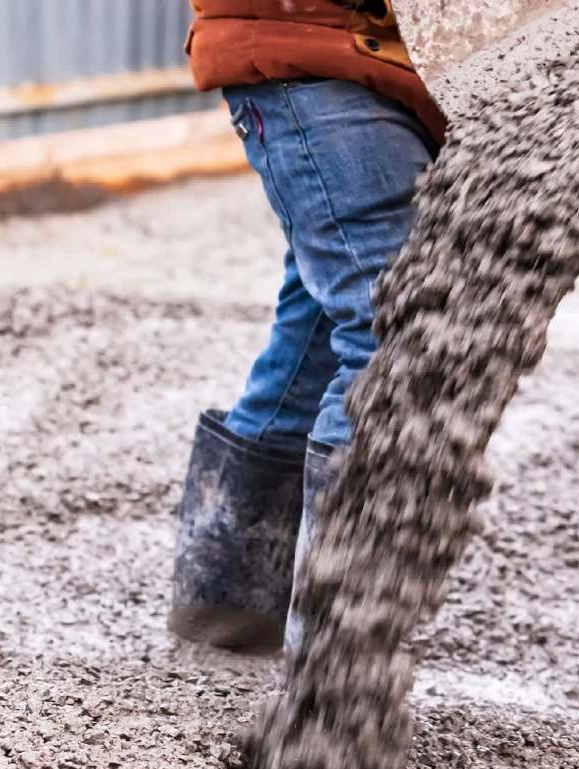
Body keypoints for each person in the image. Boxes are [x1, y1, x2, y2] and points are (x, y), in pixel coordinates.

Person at [167, 0, 446, 653]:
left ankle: (230, 602)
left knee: (324, 318)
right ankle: (334, 692)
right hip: (311, 45)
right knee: (396, 330)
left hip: (388, 60)